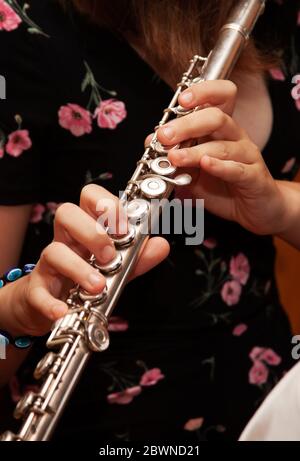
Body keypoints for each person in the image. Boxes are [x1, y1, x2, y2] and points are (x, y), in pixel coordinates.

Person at [0, 0, 299, 441]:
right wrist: (24, 309)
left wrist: (278, 206)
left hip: (270, 406)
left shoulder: (277, 14)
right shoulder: (22, 28)